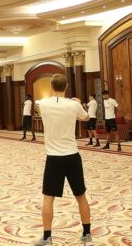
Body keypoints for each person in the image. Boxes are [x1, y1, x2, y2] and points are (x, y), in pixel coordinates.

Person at [33, 73, 92, 245]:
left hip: (53, 158)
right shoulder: (74, 105)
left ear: (51, 86)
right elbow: (87, 117)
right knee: (81, 196)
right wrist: (78, 102)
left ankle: (47, 237)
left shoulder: (42, 104)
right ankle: (87, 235)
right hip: (72, 156)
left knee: (48, 198)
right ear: (66, 86)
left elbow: (37, 104)